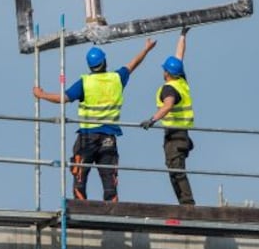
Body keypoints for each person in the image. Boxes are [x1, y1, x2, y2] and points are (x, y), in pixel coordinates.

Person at [33, 38, 156, 201]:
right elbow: (133, 64)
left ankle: (80, 211)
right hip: (108, 138)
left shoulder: (86, 83)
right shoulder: (116, 79)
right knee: (109, 180)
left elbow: (63, 98)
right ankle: (112, 214)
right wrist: (146, 49)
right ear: (104, 62)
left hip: (87, 138)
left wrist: (42, 94)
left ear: (90, 66)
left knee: (80, 177)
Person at [140, 27, 195, 205]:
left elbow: (168, 105)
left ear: (167, 73)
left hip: (175, 135)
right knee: (174, 169)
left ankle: (187, 205)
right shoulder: (181, 81)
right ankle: (185, 203)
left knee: (176, 169)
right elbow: (179, 56)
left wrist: (152, 119)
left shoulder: (169, 88)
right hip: (183, 134)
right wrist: (183, 35)